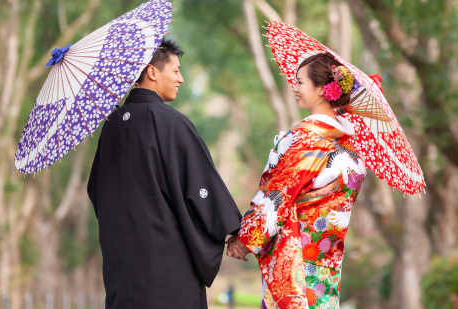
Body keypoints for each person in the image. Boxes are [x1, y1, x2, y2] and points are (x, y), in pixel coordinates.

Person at [87, 37, 241, 309]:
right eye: (176, 70)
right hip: (167, 269)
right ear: (152, 72)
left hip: (122, 269)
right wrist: (233, 230)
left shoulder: (110, 128)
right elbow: (201, 188)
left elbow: (96, 190)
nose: (180, 78)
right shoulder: (171, 123)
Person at [226, 52, 366, 309]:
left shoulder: (309, 140)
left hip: (296, 260)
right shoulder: (349, 148)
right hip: (326, 260)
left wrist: (244, 240)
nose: (294, 88)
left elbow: (277, 198)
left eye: (300, 82)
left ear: (323, 89)